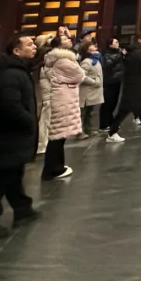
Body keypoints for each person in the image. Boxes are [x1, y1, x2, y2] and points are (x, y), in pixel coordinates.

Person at [0, 35, 41, 240]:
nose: (34, 47)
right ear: (16, 50)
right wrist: (29, 121)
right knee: (0, 179)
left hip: (12, 135)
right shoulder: (10, 74)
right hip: (9, 135)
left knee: (12, 174)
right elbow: (9, 106)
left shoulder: (18, 70)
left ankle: (22, 208)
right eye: (29, 44)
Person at [40, 35, 83, 180]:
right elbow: (79, 75)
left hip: (61, 97)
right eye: (65, 39)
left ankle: (57, 166)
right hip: (64, 98)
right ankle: (53, 169)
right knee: (58, 136)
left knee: (58, 134)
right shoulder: (63, 60)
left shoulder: (54, 59)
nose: (69, 40)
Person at [105, 38, 141, 143]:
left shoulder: (131, 51)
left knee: (140, 107)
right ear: (140, 40)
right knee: (124, 110)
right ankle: (112, 133)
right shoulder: (137, 52)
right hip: (134, 85)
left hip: (132, 84)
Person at [77, 39, 103, 139]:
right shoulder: (86, 62)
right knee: (83, 113)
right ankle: (80, 131)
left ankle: (88, 129)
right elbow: (82, 76)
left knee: (90, 112)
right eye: (92, 45)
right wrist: (94, 82)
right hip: (87, 91)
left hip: (93, 91)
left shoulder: (96, 60)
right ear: (87, 50)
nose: (95, 46)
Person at [33, 33, 54, 156]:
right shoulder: (47, 55)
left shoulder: (38, 56)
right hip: (47, 89)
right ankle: (41, 143)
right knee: (46, 116)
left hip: (43, 88)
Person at [98, 38, 124, 132]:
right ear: (110, 45)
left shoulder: (118, 52)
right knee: (107, 103)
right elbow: (108, 65)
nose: (118, 43)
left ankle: (110, 121)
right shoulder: (106, 54)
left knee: (114, 102)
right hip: (109, 81)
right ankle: (103, 124)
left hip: (117, 80)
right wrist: (120, 55)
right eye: (115, 42)